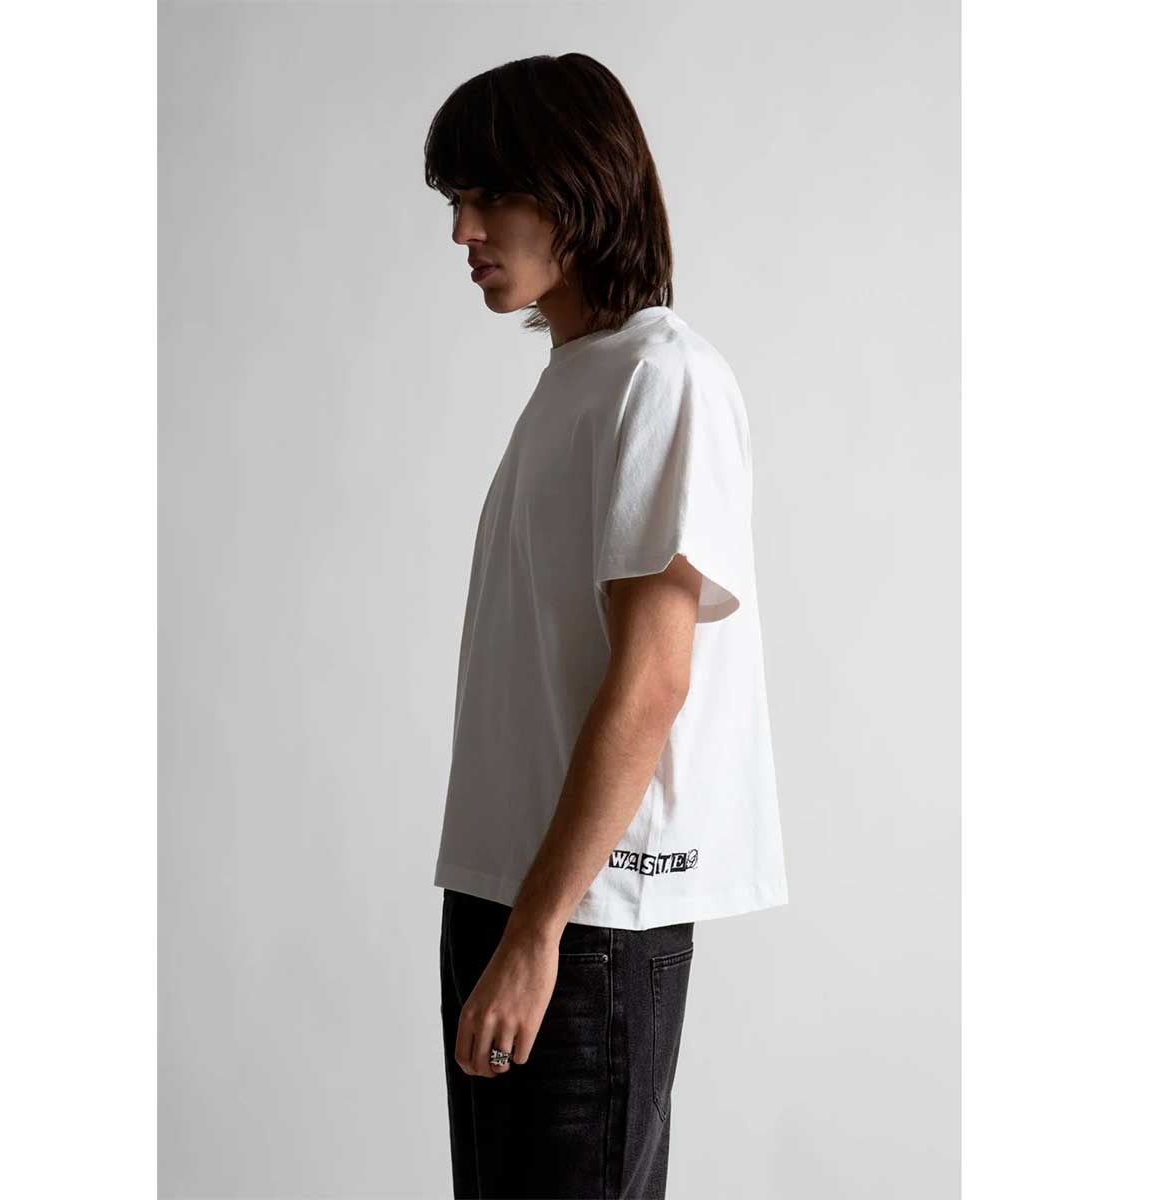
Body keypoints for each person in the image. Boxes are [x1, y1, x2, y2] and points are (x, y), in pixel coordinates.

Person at [423, 52, 789, 1199]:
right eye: (454, 202)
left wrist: (538, 935)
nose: (463, 231)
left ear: (577, 192)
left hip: (587, 917)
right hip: (511, 890)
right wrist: (511, 922)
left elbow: (653, 680)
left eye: (489, 196)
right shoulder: (580, 378)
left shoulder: (664, 377)